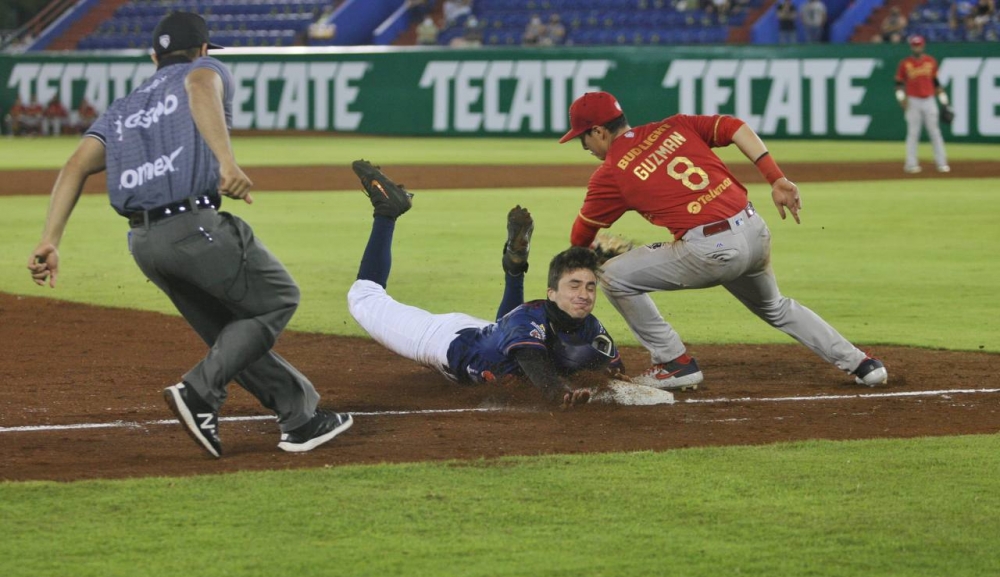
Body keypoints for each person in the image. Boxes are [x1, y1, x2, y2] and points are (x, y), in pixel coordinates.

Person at [27, 12, 352, 458]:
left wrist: (50, 239)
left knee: (231, 333)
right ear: (202, 49)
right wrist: (226, 161)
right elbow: (199, 88)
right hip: (193, 227)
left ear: (153, 56)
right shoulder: (204, 70)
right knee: (277, 298)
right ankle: (199, 391)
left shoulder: (123, 108)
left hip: (144, 244)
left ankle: (300, 419)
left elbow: (74, 166)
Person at [557, 91, 888, 391]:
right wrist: (776, 178)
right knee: (776, 307)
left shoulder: (611, 172)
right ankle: (862, 364)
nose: (585, 147)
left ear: (599, 131)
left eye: (583, 139)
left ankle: (674, 363)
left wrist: (589, 256)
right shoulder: (675, 126)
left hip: (711, 250)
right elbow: (735, 127)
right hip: (754, 230)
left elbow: (579, 237)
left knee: (612, 275)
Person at [346, 160, 623, 408]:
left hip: (494, 335)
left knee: (507, 339)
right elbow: (545, 381)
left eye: (590, 287)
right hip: (446, 339)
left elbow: (617, 374)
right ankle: (386, 211)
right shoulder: (529, 321)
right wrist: (563, 393)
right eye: (574, 286)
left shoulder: (590, 326)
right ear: (551, 293)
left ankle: (515, 268)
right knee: (363, 297)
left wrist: (612, 378)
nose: (584, 295)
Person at [895, 35, 950, 174]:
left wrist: (944, 102)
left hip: (929, 100)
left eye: (918, 45)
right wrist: (901, 99)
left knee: (935, 132)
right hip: (913, 101)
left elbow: (936, 83)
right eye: (914, 45)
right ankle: (911, 164)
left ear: (923, 46)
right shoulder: (905, 63)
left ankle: (941, 163)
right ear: (911, 47)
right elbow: (899, 84)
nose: (917, 47)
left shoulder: (930, 62)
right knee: (913, 133)